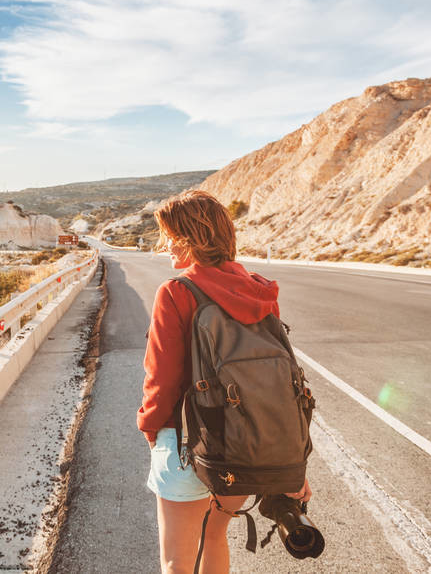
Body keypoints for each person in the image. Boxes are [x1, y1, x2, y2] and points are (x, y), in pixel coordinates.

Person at [136, 190, 311, 574]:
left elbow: (161, 381)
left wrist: (149, 427)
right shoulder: (259, 290)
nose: (165, 245)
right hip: (243, 446)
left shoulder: (176, 292)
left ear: (191, 239)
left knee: (177, 561)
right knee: (213, 537)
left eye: (170, 236)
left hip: (187, 442)